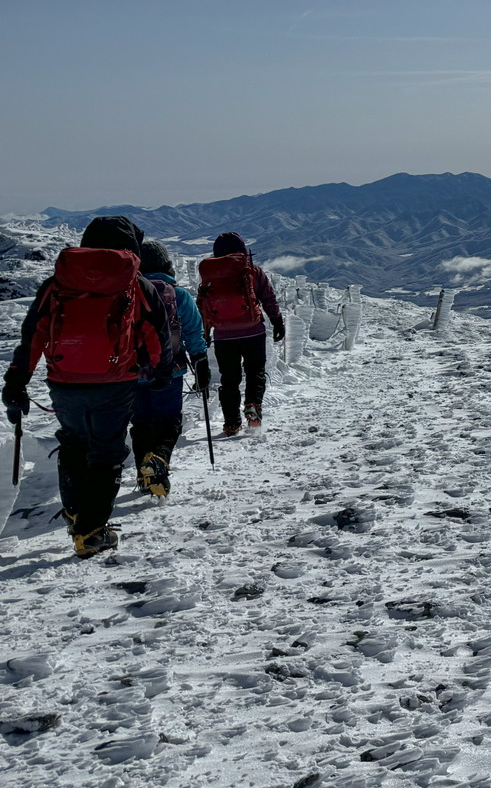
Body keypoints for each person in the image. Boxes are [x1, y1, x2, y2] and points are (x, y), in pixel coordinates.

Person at [3, 216, 178, 557]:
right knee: (108, 453)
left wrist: (16, 382)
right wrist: (161, 372)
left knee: (73, 443)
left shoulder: (57, 283)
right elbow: (155, 333)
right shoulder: (138, 285)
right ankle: (91, 531)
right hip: (116, 381)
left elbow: (33, 334)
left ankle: (75, 511)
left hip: (64, 381)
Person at [131, 240, 210, 500]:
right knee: (169, 422)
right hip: (170, 370)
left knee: (141, 422)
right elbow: (193, 332)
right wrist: (200, 361)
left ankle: (144, 477)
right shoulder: (179, 295)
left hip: (133, 373)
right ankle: (159, 460)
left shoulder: (128, 292)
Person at [197, 232, 284, 436]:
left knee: (229, 379)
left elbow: (204, 306)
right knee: (255, 372)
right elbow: (268, 297)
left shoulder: (211, 274)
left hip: (223, 336)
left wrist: (205, 334)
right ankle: (253, 405)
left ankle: (231, 424)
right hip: (253, 332)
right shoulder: (251, 270)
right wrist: (277, 321)